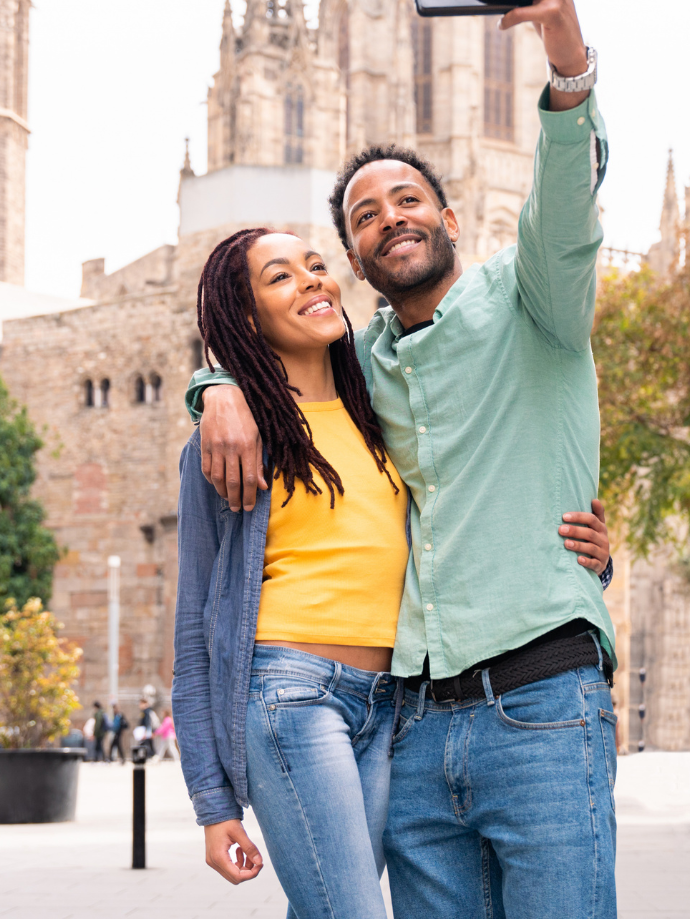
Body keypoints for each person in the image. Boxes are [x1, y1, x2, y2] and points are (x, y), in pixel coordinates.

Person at [191, 0, 622, 916]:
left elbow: (568, 205)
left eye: (407, 199)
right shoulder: (366, 368)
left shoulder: (537, 300)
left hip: (543, 704)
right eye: (365, 215)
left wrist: (566, 57)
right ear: (353, 254)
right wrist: (212, 384)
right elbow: (274, 370)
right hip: (416, 729)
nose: (390, 217)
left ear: (454, 216)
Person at [174, 196, 613, 914]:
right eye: (280, 278)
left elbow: (463, 506)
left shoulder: (376, 407)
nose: (311, 282)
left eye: (316, 267)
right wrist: (211, 802)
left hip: (393, 707)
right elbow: (194, 628)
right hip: (293, 694)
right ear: (245, 317)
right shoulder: (225, 443)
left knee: (325, 903)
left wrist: (589, 556)